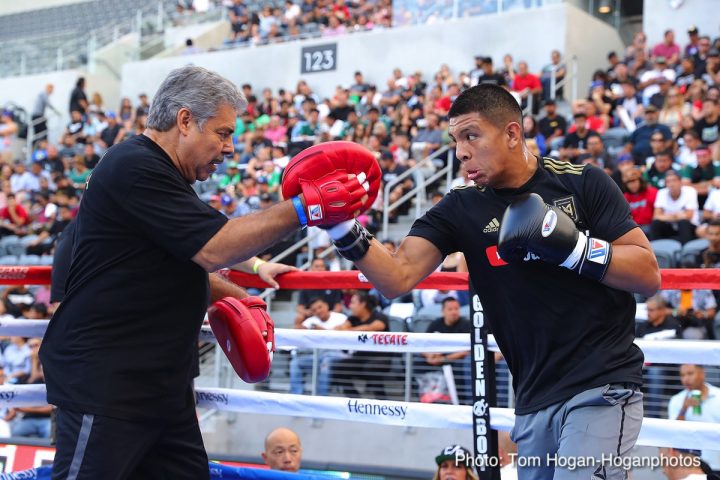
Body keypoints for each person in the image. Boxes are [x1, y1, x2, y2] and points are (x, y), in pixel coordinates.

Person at [310, 84, 660, 480]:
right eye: (455, 139)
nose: (460, 151)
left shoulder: (582, 184)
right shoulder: (462, 207)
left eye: (471, 135)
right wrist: (341, 226)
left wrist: (573, 247)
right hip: (532, 397)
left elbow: (648, 274)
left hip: (603, 384)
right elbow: (396, 276)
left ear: (512, 133)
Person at [39, 65, 361, 480]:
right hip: (108, 384)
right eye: (223, 133)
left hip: (161, 386)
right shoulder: (134, 166)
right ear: (185, 120)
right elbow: (215, 246)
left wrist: (241, 294)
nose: (230, 148)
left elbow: (179, 260)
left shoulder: (165, 176)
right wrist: (305, 208)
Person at [667, 364, 720, 472]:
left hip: (716, 463)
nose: (685, 379)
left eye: (690, 374)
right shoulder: (677, 400)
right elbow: (673, 435)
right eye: (682, 375)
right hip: (689, 466)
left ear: (702, 373)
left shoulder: (718, 396)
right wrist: (684, 409)